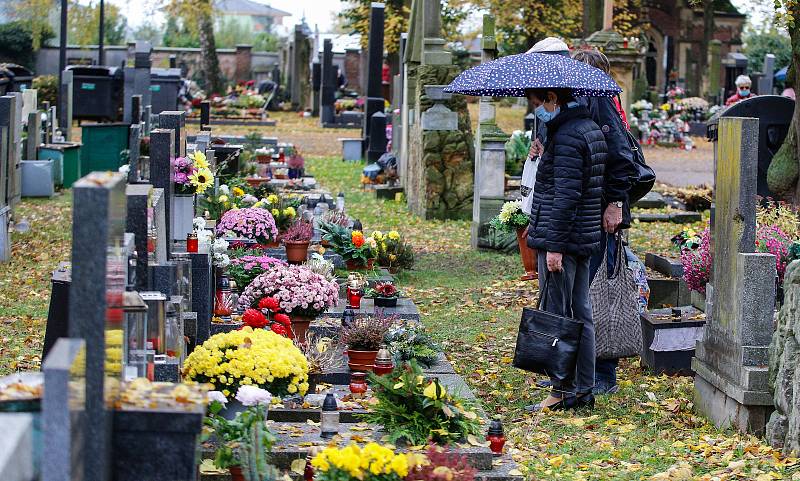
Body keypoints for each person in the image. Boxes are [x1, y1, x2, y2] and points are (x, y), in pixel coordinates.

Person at [525, 87, 608, 411]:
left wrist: (555, 246)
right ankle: (583, 388)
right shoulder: (587, 128)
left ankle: (560, 391)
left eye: (538, 103)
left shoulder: (569, 136)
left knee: (557, 314)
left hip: (564, 239)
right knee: (580, 313)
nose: (537, 111)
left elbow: (566, 195)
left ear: (552, 98)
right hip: (582, 236)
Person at [571, 48, 638, 395]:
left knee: (601, 290)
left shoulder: (601, 100)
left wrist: (614, 204)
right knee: (581, 290)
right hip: (584, 209)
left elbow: (621, 158)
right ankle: (576, 366)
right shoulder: (584, 101)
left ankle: (604, 373)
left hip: (602, 211)